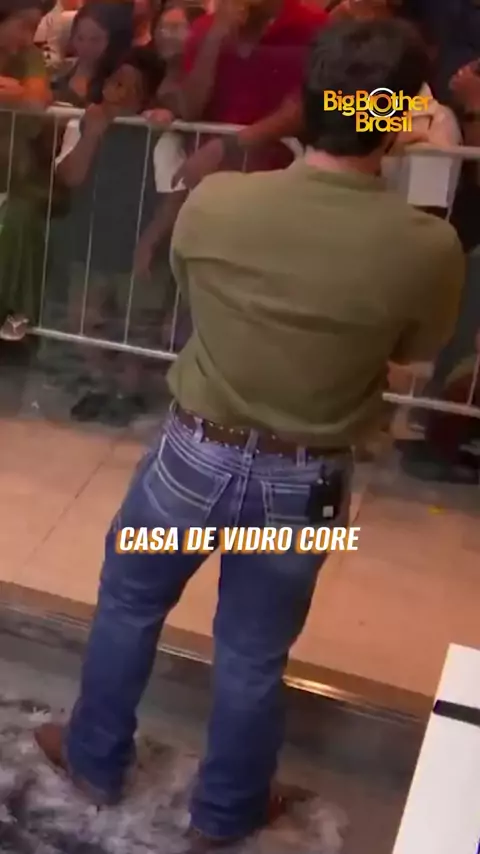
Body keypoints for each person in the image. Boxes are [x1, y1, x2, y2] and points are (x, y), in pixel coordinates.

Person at [34, 18, 464, 852]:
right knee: (252, 653)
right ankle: (227, 812)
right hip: (303, 481)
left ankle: (93, 759)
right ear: (399, 115)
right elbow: (412, 354)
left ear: (308, 100)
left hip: (192, 457)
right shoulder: (427, 246)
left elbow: (192, 287)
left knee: (129, 603)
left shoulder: (221, 203)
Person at [51, 48, 165, 426]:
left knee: (138, 323)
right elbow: (71, 177)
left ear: (146, 96)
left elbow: (173, 193)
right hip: (91, 236)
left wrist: (149, 243)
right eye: (117, 83)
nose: (122, 93)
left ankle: (127, 393)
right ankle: (100, 385)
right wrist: (93, 135)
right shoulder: (83, 123)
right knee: (83, 319)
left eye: (134, 87)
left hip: (140, 240)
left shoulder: (157, 129)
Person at [171, 0, 329, 189]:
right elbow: (190, 109)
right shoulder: (204, 28)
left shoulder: (314, 25)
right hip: (210, 180)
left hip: (282, 181)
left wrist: (229, 146)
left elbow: (313, 105)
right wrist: (215, 37)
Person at [0, 0, 55, 341]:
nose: (28, 36)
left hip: (13, 176)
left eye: (34, 28)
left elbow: (37, 99)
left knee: (20, 220)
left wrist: (18, 93)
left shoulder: (30, 57)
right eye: (22, 25)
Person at [53, 1, 134, 106]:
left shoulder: (119, 81)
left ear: (112, 41)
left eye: (95, 40)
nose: (85, 47)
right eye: (80, 38)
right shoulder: (60, 71)